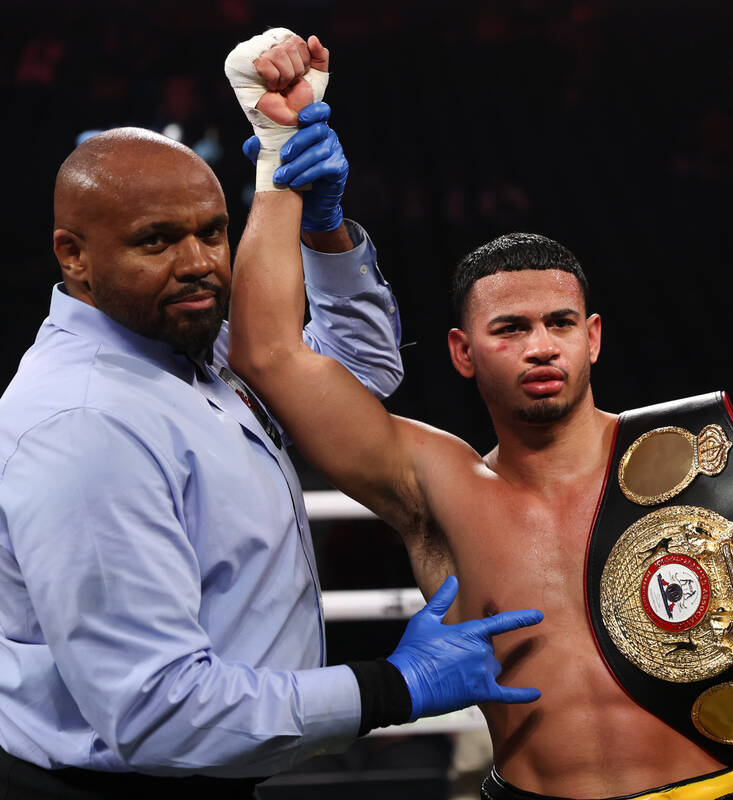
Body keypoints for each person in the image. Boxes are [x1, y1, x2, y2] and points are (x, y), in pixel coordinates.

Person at [224, 31, 733, 800]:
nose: (541, 346)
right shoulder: (437, 483)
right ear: (463, 352)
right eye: (510, 329)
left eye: (560, 324)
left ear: (592, 336)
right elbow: (267, 355)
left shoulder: (691, 457)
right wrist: (279, 164)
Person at [0, 35, 542, 799]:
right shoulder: (86, 425)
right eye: (155, 241)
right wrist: (393, 686)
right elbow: (156, 712)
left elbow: (357, 372)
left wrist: (322, 226)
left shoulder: (187, 343)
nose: (198, 263)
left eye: (212, 233)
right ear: (73, 256)